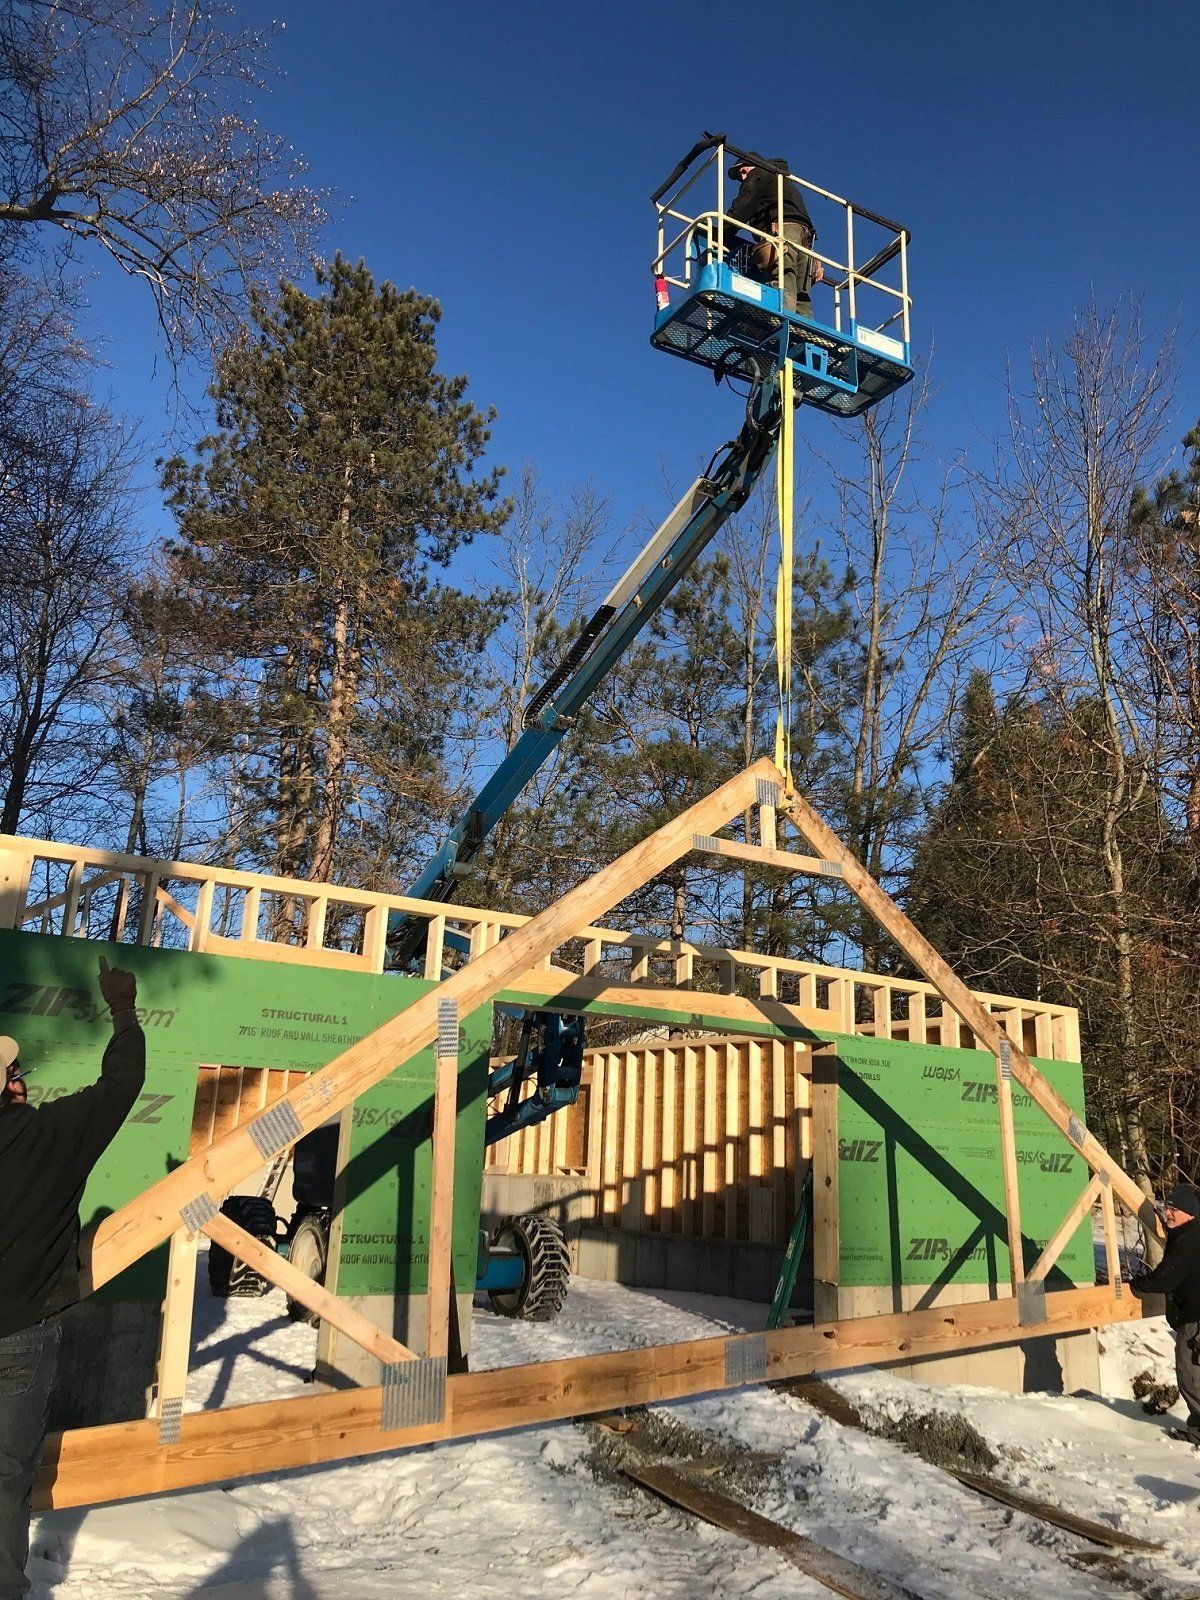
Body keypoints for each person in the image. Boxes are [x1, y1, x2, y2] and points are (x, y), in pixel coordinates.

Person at [0, 957, 145, 1600]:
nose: (22, 1079)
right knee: (7, 1478)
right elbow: (123, 1081)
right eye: (15, 1073)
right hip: (24, 1340)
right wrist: (123, 1011)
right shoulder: (53, 1135)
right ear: (11, 1089)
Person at [1129, 1182, 1200, 1444]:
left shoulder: (1187, 1241)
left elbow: (1165, 1278)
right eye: (1166, 1207)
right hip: (1192, 1316)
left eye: (1174, 1209)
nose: (1168, 1213)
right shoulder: (1189, 1232)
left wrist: (1136, 1285)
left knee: (1190, 1377)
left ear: (1189, 1213)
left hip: (1195, 1320)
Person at [724, 152, 819, 318]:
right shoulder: (782, 180)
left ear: (753, 165)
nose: (743, 177)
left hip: (781, 230)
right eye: (740, 175)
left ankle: (778, 320)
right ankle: (803, 329)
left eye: (743, 171)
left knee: (783, 280)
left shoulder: (760, 172)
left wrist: (721, 234)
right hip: (805, 238)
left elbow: (742, 207)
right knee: (801, 292)